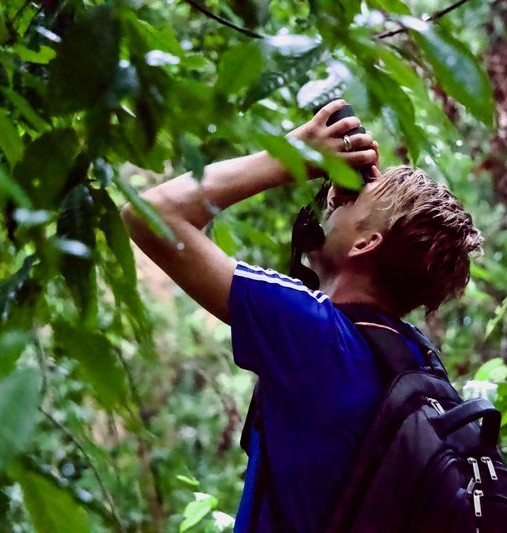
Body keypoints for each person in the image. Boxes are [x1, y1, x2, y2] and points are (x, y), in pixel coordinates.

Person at [121, 99, 483, 531]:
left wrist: (292, 155)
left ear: (365, 244)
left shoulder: (314, 334)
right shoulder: (412, 356)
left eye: (348, 201)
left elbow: (150, 214)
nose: (330, 201)